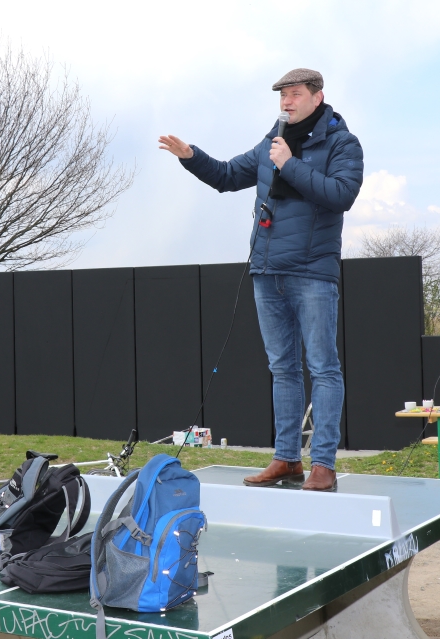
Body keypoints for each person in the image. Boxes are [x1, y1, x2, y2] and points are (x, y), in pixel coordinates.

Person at [158, 68, 364, 491]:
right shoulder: (272, 141)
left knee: (323, 368)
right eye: (282, 95)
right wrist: (191, 156)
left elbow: (341, 195)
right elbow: (227, 176)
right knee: (282, 369)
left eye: (295, 94)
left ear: (317, 96)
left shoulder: (342, 143)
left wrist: (290, 165)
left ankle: (323, 464)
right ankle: (287, 459)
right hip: (267, 272)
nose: (286, 102)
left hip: (312, 271)